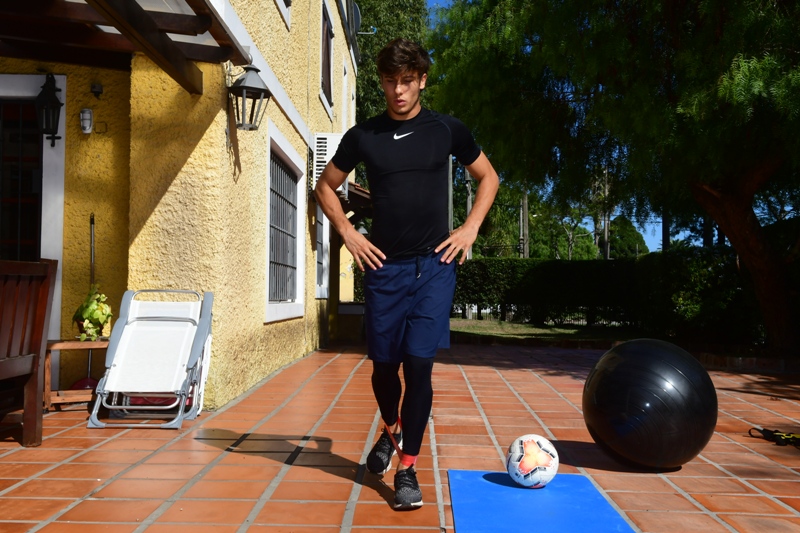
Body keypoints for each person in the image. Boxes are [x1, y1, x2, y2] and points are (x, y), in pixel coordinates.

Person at [314, 38, 499, 510]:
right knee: (383, 367)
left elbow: (489, 177)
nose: (398, 90)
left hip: (434, 267)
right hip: (384, 269)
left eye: (407, 81)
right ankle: (391, 430)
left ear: (422, 81)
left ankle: (408, 467)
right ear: (382, 82)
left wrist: (469, 229)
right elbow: (325, 186)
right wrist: (348, 234)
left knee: (419, 364)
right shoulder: (364, 136)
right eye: (390, 81)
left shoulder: (446, 129)